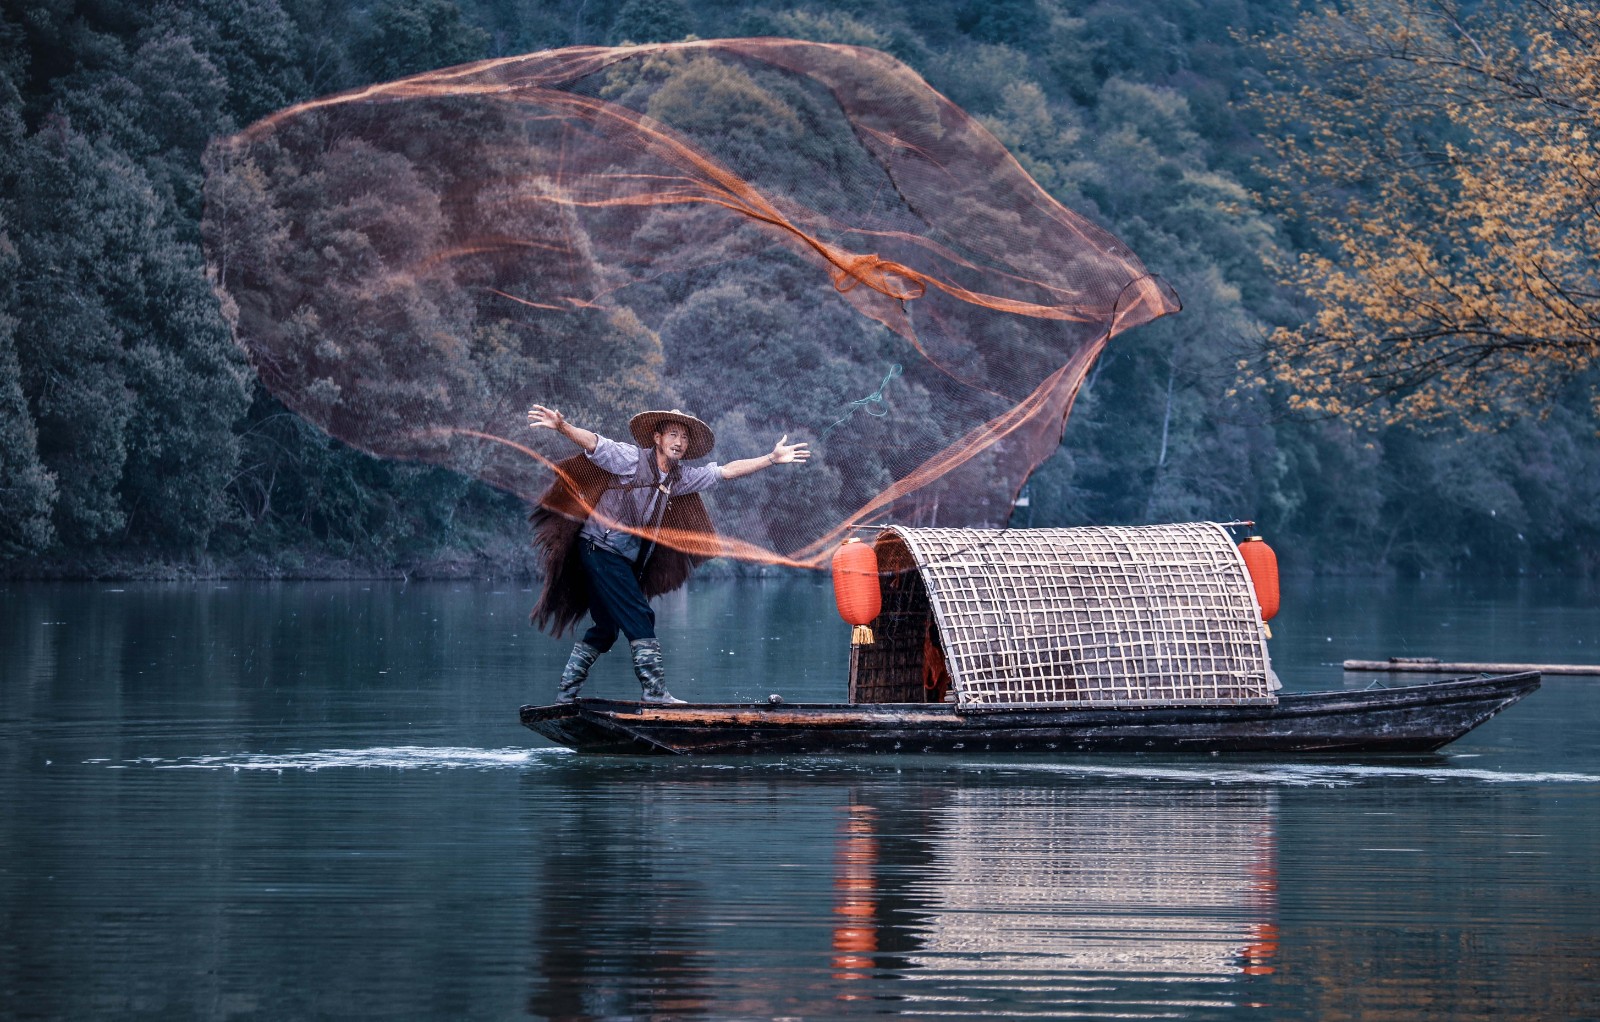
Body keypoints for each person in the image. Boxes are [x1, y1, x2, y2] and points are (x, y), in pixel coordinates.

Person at [526, 405, 810, 703]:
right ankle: (655, 692)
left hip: (620, 559)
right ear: (657, 438)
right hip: (600, 549)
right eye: (673, 434)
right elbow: (595, 443)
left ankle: (566, 695)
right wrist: (562, 426)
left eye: (685, 438)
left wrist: (770, 459)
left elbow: (724, 472)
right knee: (640, 615)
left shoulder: (679, 478)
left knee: (606, 630)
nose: (679, 442)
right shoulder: (630, 459)